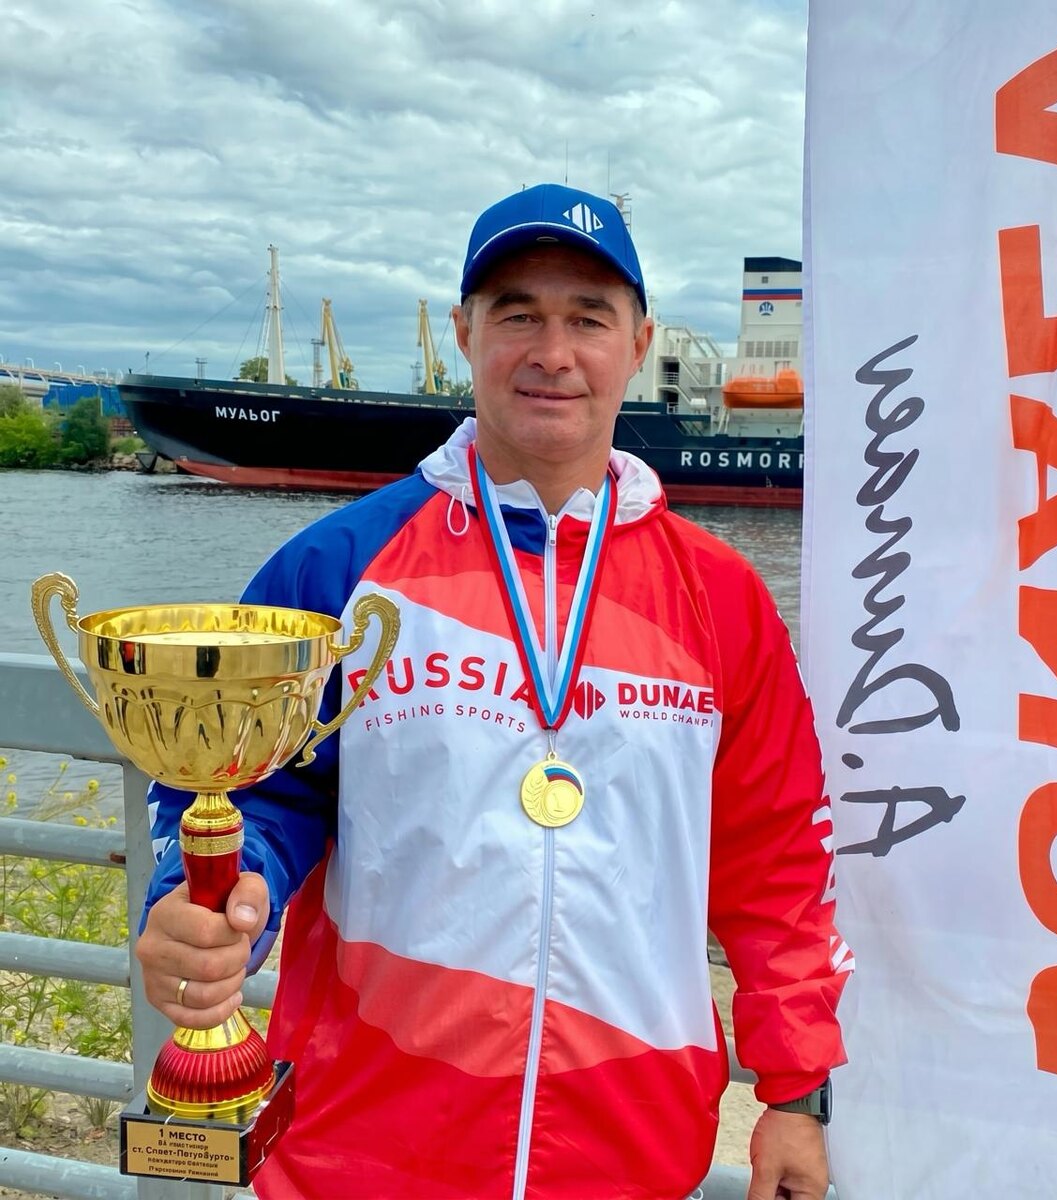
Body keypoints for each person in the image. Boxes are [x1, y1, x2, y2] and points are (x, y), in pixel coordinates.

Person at [136, 183, 849, 1200]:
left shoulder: (723, 598)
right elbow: (249, 786)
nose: (553, 353)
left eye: (588, 318)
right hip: (359, 1153)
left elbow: (775, 861)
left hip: (631, 1159)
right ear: (466, 332)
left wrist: (794, 1091)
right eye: (518, 314)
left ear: (639, 345)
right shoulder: (335, 567)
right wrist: (213, 890)